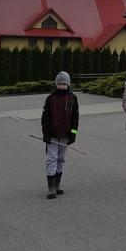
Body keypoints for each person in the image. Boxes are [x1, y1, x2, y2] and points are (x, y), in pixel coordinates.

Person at [40, 71, 79, 199]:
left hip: (65, 135)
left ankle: (57, 184)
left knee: (61, 159)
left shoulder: (72, 98)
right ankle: (51, 188)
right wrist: (46, 134)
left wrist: (73, 134)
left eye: (64, 84)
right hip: (52, 135)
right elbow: (45, 119)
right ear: (56, 84)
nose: (61, 86)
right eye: (59, 84)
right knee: (51, 159)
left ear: (68, 84)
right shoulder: (50, 99)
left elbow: (75, 118)